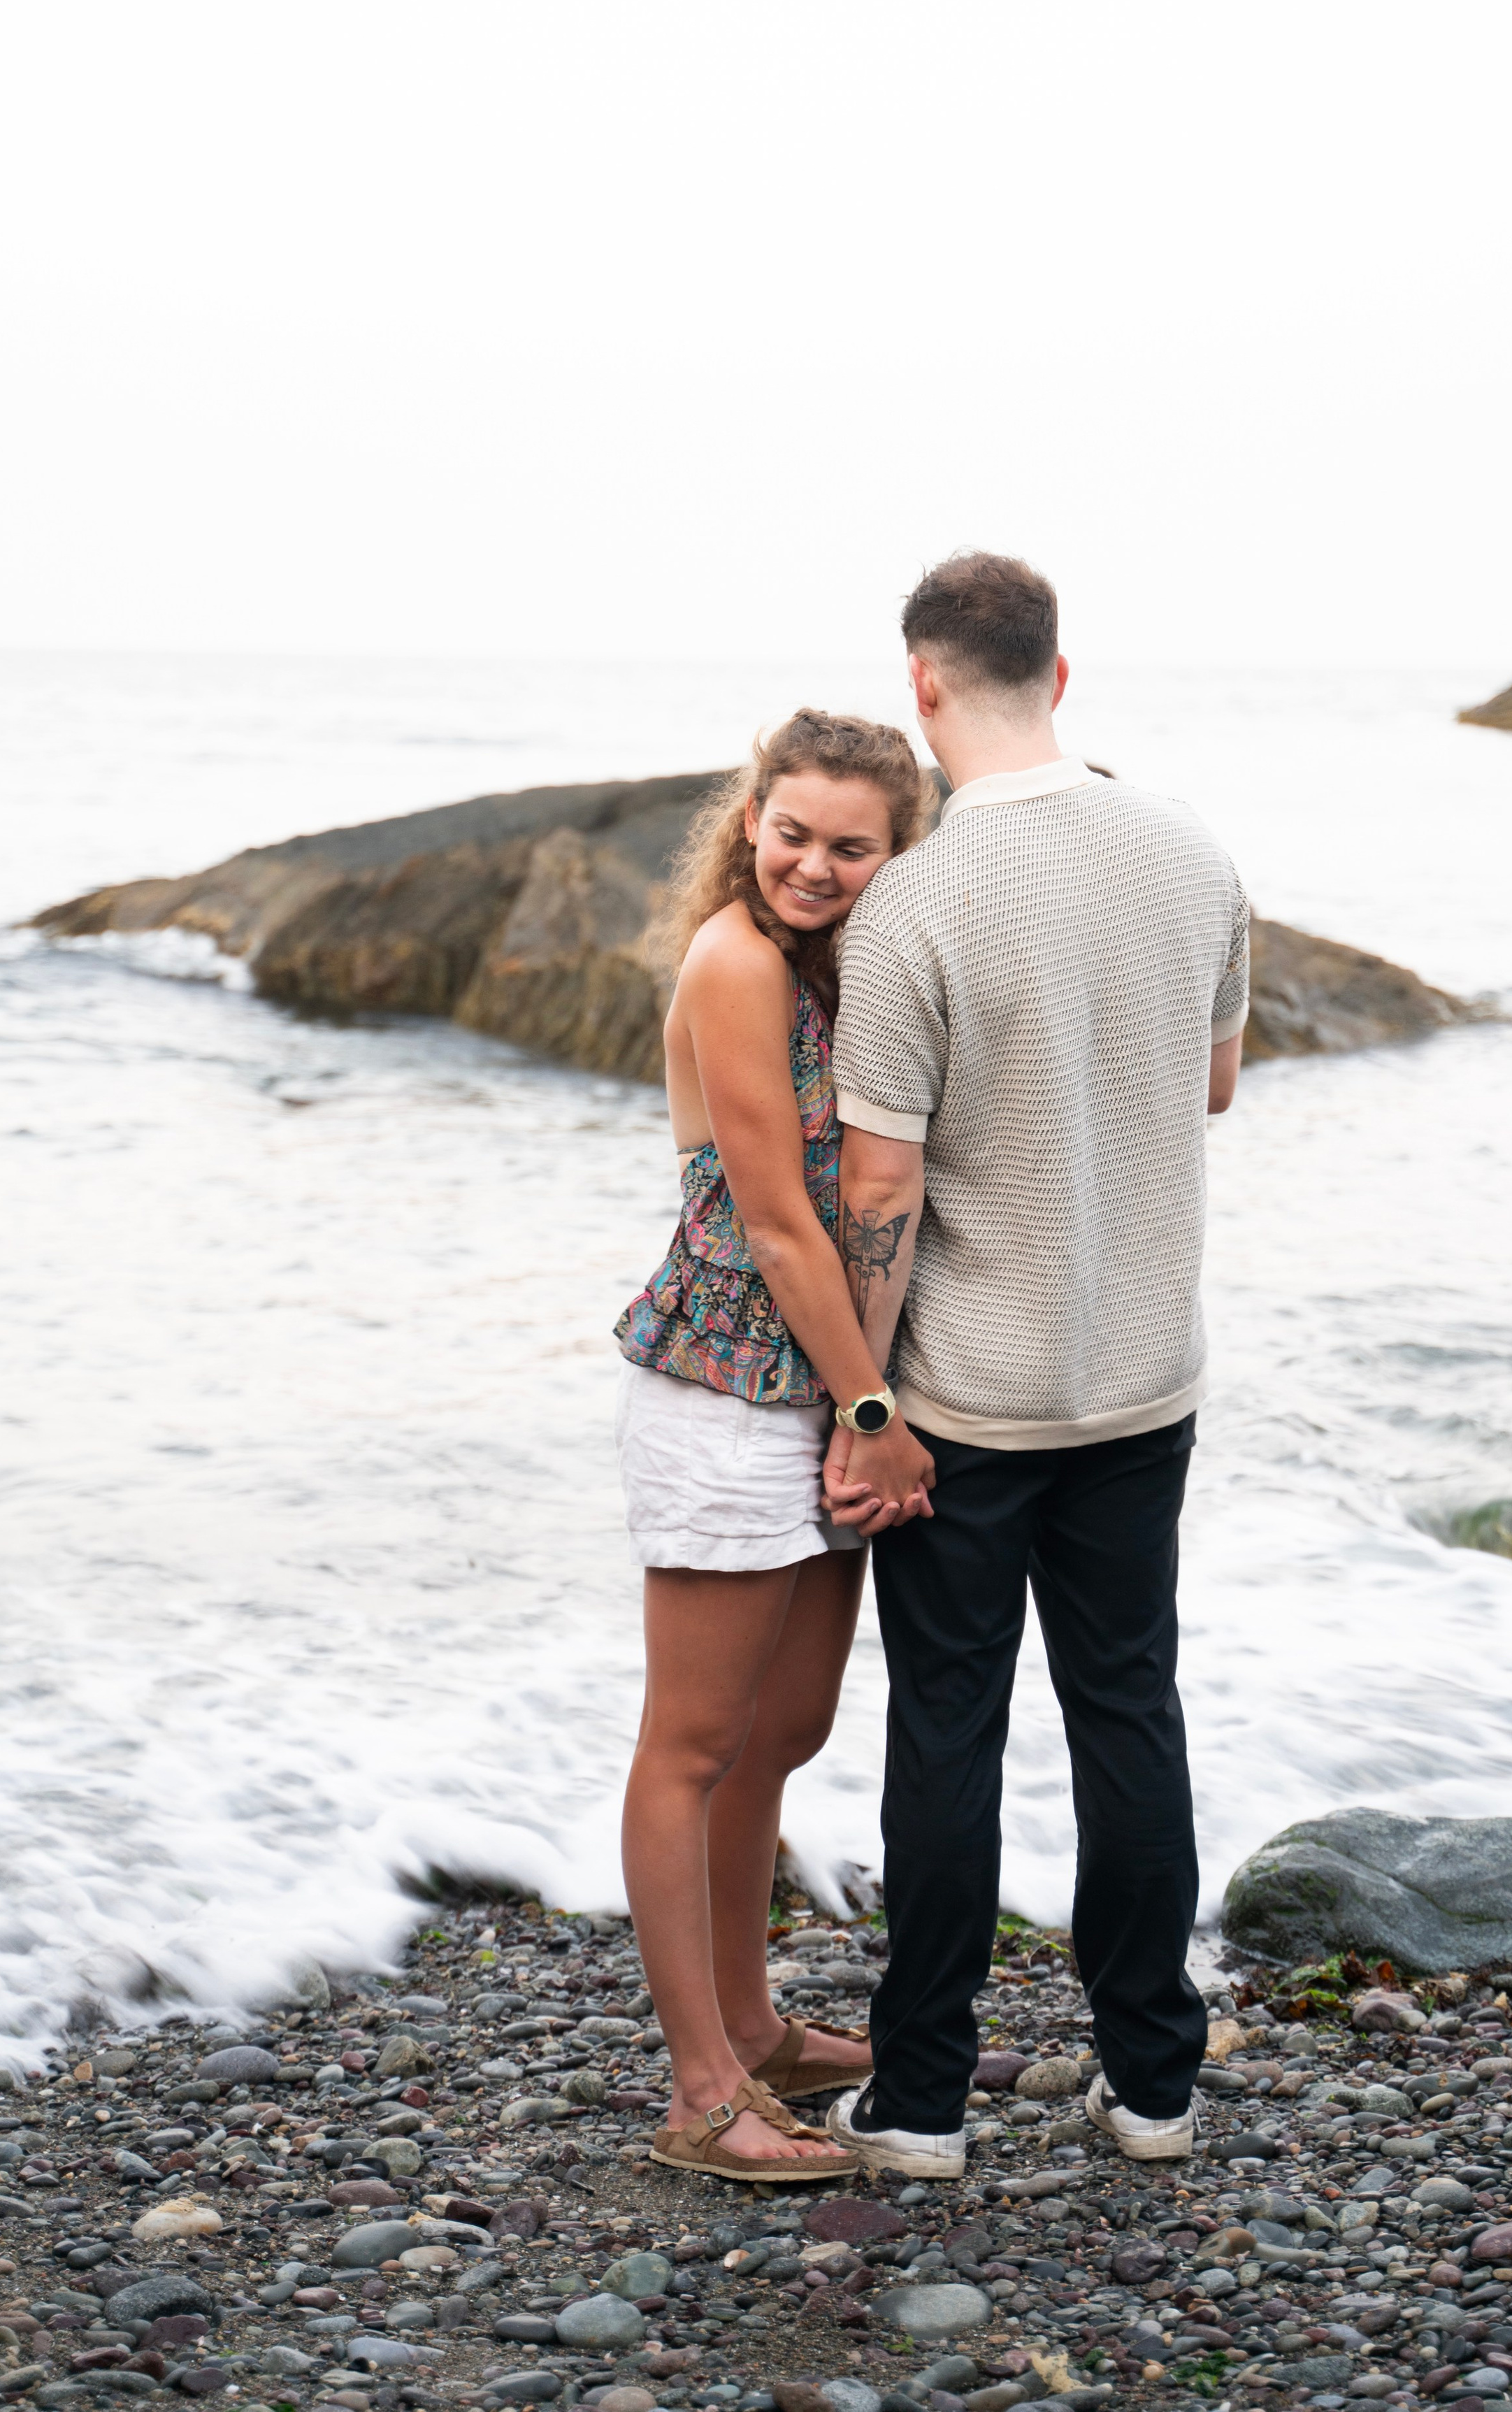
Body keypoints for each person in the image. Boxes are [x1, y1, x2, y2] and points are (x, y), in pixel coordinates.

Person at [821, 552, 1250, 2179]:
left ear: (919, 686)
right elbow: (1209, 1085)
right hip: (1142, 1375)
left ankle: (921, 2099)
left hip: (961, 1400)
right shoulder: (1189, 848)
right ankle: (1152, 2080)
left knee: (945, 1725)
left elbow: (876, 1187)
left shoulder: (913, 901)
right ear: (1057, 676)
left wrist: (864, 1405)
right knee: (1126, 1704)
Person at [613, 707, 937, 2183]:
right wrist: (873, 1411)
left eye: (849, 844)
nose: (811, 863)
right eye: (790, 830)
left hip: (819, 1392)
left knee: (782, 1731)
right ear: (750, 816)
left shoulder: (845, 964)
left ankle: (750, 2023)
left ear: (895, 852)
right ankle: (697, 2090)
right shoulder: (734, 961)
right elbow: (773, 1221)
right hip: (732, 1392)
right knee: (690, 1745)